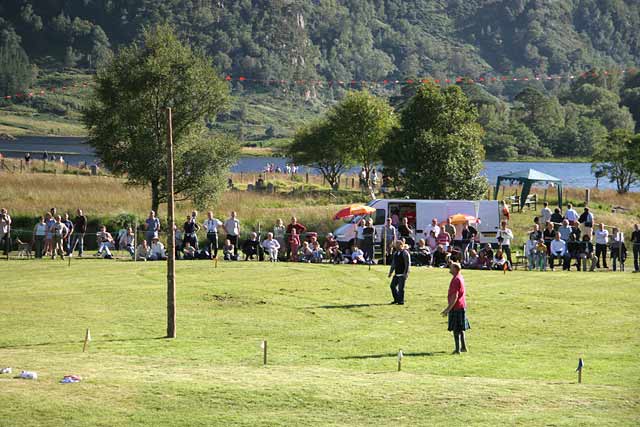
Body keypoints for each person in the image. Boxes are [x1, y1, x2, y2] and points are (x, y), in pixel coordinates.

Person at [441, 262, 469, 354]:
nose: (450, 268)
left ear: (456, 269)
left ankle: (457, 350)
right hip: (462, 306)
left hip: (456, 307)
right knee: (461, 329)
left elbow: (455, 296)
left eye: (451, 267)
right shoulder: (460, 277)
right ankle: (464, 347)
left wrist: (447, 309)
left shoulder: (456, 280)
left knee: (456, 330)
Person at [388, 240, 410, 305]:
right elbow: (393, 264)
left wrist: (406, 273)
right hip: (396, 273)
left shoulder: (405, 253)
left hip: (402, 274)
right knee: (392, 286)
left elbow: (407, 264)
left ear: (401, 245)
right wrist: (390, 272)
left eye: (397, 245)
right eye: (395, 245)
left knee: (401, 288)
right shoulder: (395, 253)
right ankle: (396, 299)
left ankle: (401, 301)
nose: (396, 246)